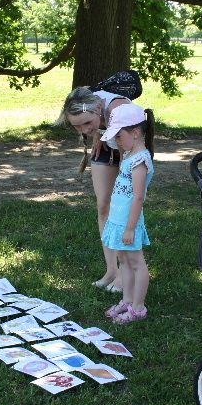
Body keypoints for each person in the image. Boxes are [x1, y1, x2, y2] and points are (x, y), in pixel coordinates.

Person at [61, 86, 134, 294]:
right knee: (103, 206)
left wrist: (125, 184)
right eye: (77, 126)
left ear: (98, 109)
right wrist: (96, 134)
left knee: (121, 210)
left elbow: (129, 155)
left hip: (129, 151)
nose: (83, 130)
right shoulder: (90, 105)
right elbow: (91, 124)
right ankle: (111, 270)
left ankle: (124, 274)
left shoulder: (118, 111)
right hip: (105, 145)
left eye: (87, 123)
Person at [99, 103, 155, 325]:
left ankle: (138, 307)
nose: (117, 141)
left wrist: (131, 227)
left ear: (136, 132)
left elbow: (138, 197)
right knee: (123, 260)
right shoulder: (130, 154)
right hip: (119, 218)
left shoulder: (140, 160)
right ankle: (128, 300)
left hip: (128, 222)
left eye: (119, 136)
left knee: (136, 263)